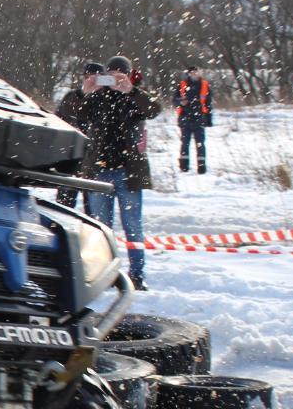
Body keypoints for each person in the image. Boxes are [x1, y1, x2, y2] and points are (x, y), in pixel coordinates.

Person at [68, 55, 160, 290]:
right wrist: (87, 92)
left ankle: (137, 275)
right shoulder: (98, 97)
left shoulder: (134, 98)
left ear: (129, 76)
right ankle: (105, 275)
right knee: (101, 228)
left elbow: (153, 109)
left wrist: (130, 90)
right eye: (112, 75)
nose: (115, 81)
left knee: (133, 225)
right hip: (100, 172)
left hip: (127, 173)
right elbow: (77, 117)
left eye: (121, 76)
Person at [53, 61, 105, 207]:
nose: (94, 81)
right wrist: (83, 94)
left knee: (93, 209)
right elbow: (61, 118)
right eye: (90, 77)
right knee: (64, 206)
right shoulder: (73, 96)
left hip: (95, 160)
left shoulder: (107, 100)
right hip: (71, 158)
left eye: (99, 78)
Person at [174, 65, 213, 174]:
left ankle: (201, 167)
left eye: (197, 72)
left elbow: (208, 103)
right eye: (193, 72)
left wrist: (209, 119)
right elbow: (174, 100)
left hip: (199, 119)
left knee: (200, 143)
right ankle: (184, 166)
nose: (195, 74)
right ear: (189, 74)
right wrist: (180, 101)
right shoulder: (182, 85)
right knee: (185, 143)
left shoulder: (205, 85)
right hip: (185, 118)